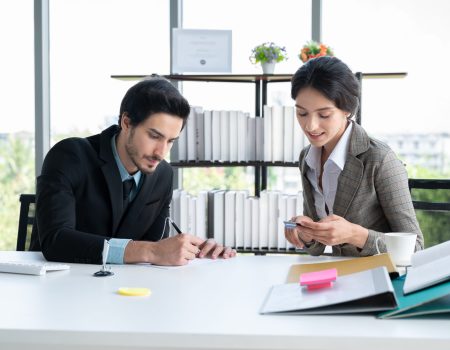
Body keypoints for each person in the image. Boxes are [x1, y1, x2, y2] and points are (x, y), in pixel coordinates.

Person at [30, 77, 236, 265]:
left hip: (125, 292)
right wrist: (152, 251)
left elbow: (154, 245)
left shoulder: (163, 174)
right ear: (126, 123)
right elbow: (55, 241)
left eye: (170, 141)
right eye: (154, 136)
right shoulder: (70, 155)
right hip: (60, 290)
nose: (161, 152)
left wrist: (192, 249)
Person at [285, 56, 424, 256]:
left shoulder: (380, 159)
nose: (310, 126)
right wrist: (307, 233)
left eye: (324, 115)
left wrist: (355, 235)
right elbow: (318, 247)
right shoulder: (307, 158)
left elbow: (415, 247)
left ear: (348, 110)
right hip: (339, 275)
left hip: (379, 278)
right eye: (302, 113)